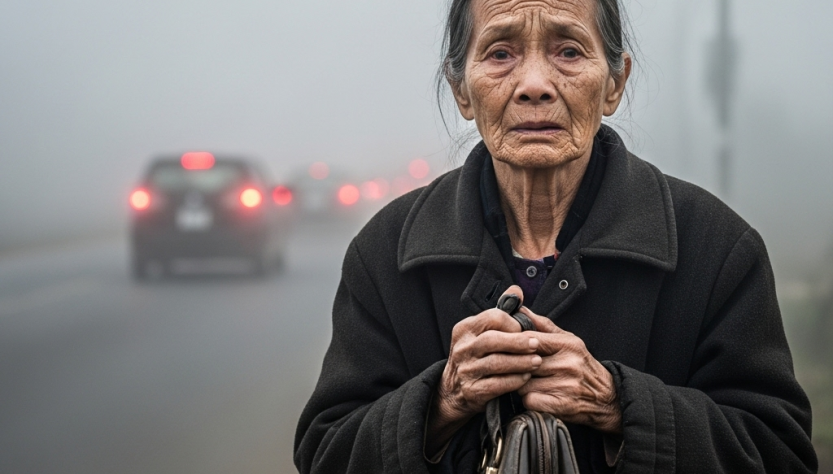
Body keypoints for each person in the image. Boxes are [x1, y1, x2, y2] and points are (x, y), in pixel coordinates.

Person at [294, 0, 818, 472]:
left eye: (569, 51)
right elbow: (327, 452)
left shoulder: (717, 249)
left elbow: (779, 451)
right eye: (500, 53)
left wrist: (616, 403)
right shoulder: (387, 252)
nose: (535, 84)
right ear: (461, 90)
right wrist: (442, 400)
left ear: (614, 84)